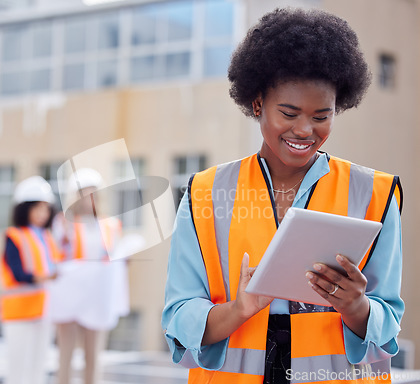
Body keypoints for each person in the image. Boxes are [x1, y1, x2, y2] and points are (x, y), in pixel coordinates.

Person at [162, 7, 404, 384]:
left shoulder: (375, 192)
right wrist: (240, 309)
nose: (305, 130)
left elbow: (387, 320)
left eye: (322, 116)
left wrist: (356, 306)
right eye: (289, 113)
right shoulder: (205, 193)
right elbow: (179, 318)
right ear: (257, 103)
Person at [50, 168, 129, 384]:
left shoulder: (109, 225)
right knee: (65, 353)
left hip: (97, 296)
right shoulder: (63, 223)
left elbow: (115, 255)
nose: (89, 198)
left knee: (93, 355)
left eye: (93, 192)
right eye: (84, 193)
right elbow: (54, 256)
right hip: (70, 295)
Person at [0, 176, 60, 384]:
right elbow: (17, 273)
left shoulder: (48, 237)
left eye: (46, 209)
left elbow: (57, 266)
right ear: (25, 209)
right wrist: (44, 277)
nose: (43, 214)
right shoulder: (14, 235)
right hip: (19, 312)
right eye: (38, 208)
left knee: (38, 368)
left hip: (43, 310)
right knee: (18, 370)